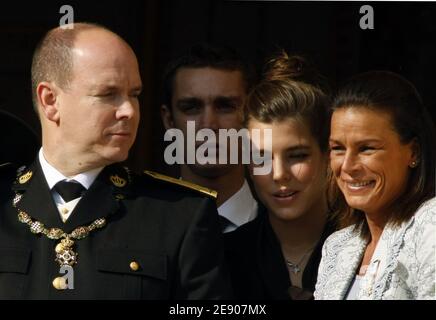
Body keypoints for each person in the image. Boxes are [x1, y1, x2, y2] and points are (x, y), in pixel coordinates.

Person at [0, 23, 231, 299]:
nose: (129, 111)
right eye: (108, 94)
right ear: (50, 101)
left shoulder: (179, 215)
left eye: (134, 94)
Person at [315, 71, 436, 300]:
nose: (348, 166)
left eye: (367, 148)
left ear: (414, 152)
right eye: (338, 148)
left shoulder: (431, 225)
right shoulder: (337, 247)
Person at [225, 51, 336, 300]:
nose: (279, 174)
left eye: (296, 155)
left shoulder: (370, 250)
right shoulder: (222, 258)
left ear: (328, 154)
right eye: (261, 158)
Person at [160, 43, 258, 233]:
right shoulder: (138, 229)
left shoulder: (287, 234)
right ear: (169, 119)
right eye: (191, 107)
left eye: (225, 106)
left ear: (253, 115)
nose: (208, 125)